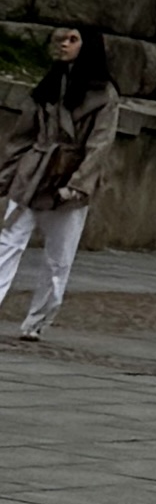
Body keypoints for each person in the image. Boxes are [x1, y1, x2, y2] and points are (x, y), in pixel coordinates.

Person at [0, 26, 119, 341]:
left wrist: (79, 184)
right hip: (32, 175)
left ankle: (37, 321)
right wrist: (6, 175)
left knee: (58, 260)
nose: (64, 44)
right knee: (7, 245)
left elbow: (100, 145)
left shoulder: (103, 94)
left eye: (73, 40)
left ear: (88, 46)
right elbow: (22, 136)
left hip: (67, 182)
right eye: (62, 39)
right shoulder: (50, 83)